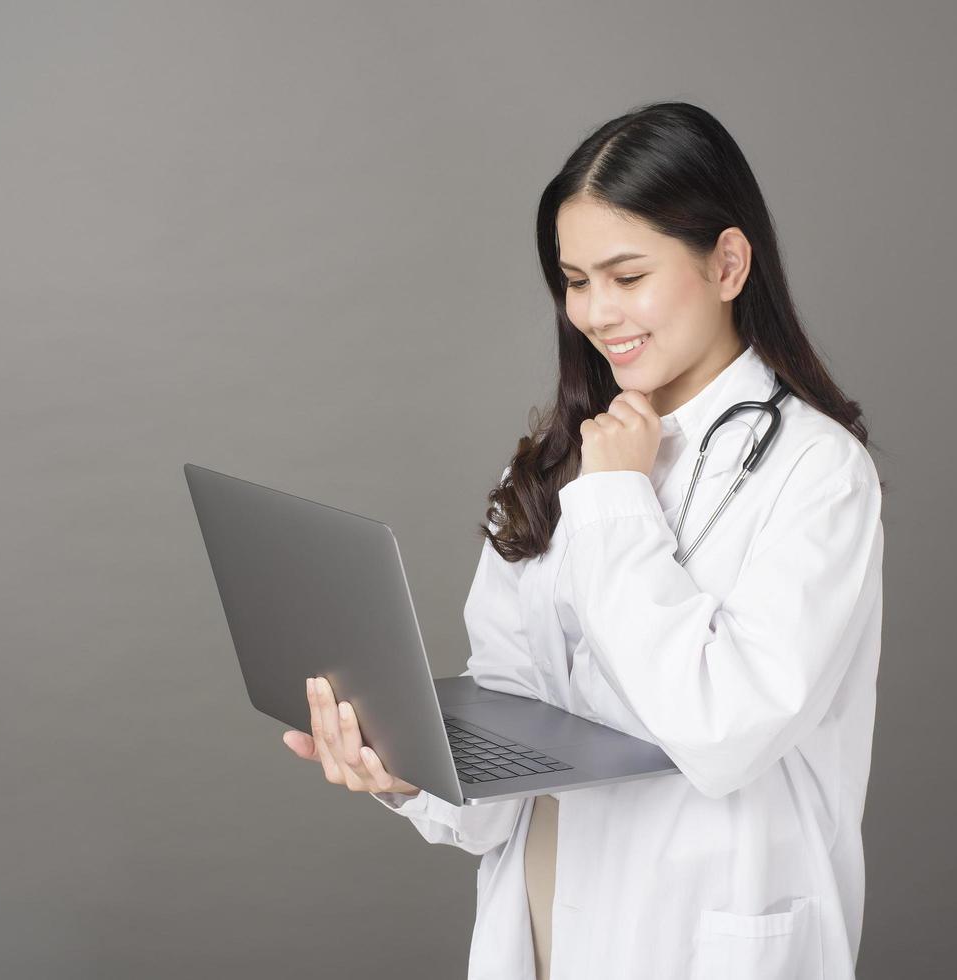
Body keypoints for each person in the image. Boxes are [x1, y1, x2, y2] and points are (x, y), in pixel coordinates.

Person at [282, 100, 885, 980]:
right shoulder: (556, 462)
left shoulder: (816, 472)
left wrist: (614, 500)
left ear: (726, 263)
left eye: (626, 275)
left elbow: (721, 731)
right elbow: (513, 722)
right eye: (574, 280)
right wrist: (410, 768)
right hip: (543, 921)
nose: (596, 313)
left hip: (703, 939)